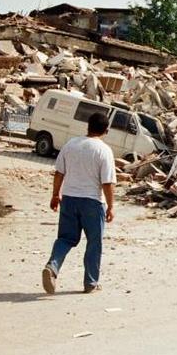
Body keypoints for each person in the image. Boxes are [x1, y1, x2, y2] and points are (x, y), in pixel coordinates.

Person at [42, 111, 116, 294]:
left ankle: (53, 266)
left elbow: (59, 172)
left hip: (69, 199)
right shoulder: (104, 150)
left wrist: (55, 195)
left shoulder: (71, 145)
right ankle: (90, 282)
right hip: (92, 202)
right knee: (94, 243)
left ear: (88, 126)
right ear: (106, 130)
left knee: (65, 238)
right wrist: (111, 206)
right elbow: (107, 183)